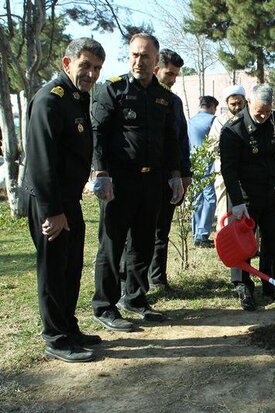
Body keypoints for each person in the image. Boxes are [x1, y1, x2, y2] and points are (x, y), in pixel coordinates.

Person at [91, 33, 182, 331]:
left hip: (152, 182)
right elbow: (98, 135)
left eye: (145, 56)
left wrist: (175, 175)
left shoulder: (164, 98)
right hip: (119, 183)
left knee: (142, 243)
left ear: (156, 60)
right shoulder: (113, 90)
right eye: (134, 55)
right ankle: (104, 306)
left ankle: (136, 297)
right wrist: (101, 173)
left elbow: (171, 141)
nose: (138, 61)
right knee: (112, 244)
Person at [23, 38, 106, 362]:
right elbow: (42, 160)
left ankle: (68, 327)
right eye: (85, 65)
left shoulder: (77, 98)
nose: (91, 74)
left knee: (71, 266)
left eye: (97, 68)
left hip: (68, 200)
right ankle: (55, 338)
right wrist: (53, 211)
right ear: (67, 62)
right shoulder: (49, 100)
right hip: (49, 200)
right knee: (54, 268)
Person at [219, 84, 275, 311]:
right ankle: (243, 285)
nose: (263, 116)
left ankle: (270, 283)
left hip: (271, 192)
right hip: (244, 196)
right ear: (249, 101)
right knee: (243, 243)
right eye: (259, 111)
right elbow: (229, 170)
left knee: (272, 240)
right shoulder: (233, 129)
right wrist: (237, 203)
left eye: (267, 111)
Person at [146, 48, 192, 291]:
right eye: (169, 74)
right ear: (156, 69)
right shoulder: (143, 96)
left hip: (170, 177)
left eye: (176, 75)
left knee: (162, 229)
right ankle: (133, 281)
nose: (172, 79)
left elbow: (182, 140)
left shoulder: (174, 102)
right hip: (146, 176)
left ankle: (158, 277)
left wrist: (185, 174)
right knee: (143, 231)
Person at [207, 85, 246, 232]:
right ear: (227, 104)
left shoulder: (250, 118)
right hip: (224, 172)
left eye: (239, 103)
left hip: (247, 171)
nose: (237, 107)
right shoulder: (220, 121)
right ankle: (226, 242)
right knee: (225, 208)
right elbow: (211, 147)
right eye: (233, 104)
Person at [189, 95, 219, 247]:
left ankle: (196, 233)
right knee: (210, 199)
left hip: (193, 164)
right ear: (212, 106)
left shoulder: (190, 121)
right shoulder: (213, 120)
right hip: (209, 164)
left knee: (197, 199)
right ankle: (202, 235)